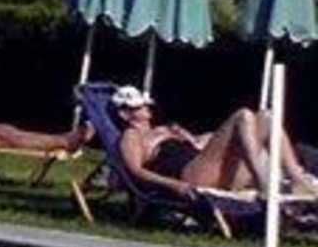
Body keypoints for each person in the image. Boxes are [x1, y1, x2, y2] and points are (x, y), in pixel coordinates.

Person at [108, 86, 318, 201]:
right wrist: (173, 185)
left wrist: (191, 137)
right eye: (137, 107)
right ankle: (264, 183)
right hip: (190, 175)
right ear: (124, 114)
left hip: (208, 167)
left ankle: (297, 177)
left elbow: (199, 145)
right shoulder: (131, 136)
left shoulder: (163, 129)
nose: (145, 108)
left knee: (266, 117)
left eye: (144, 104)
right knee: (243, 115)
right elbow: (136, 171)